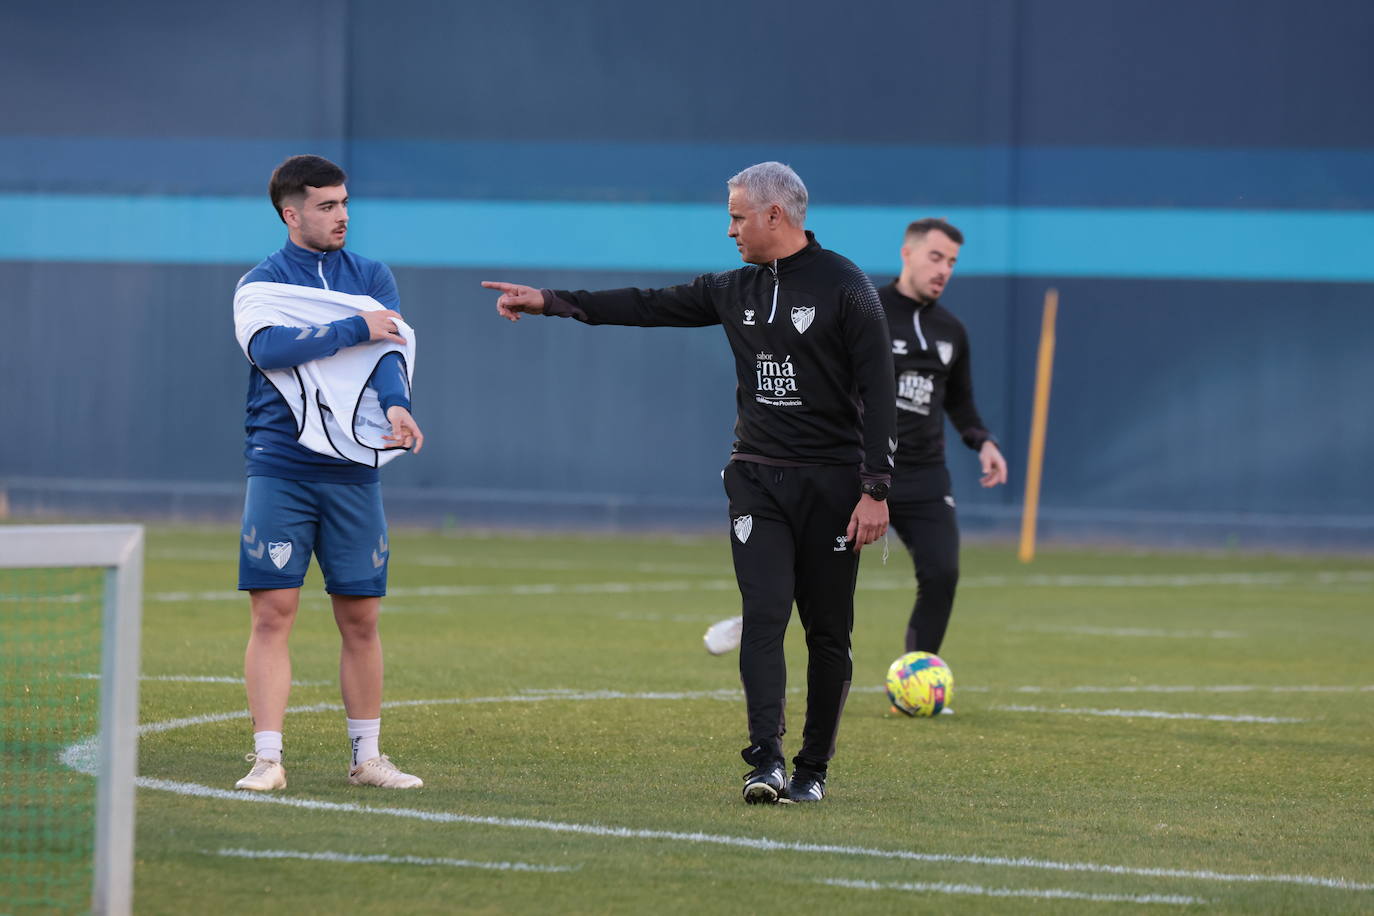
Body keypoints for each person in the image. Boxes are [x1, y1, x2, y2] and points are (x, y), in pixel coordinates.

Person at [483, 162, 895, 804]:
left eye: (737, 216)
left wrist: (875, 489)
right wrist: (552, 302)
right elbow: (649, 306)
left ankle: (813, 771)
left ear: (774, 217)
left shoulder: (847, 287)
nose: (730, 229)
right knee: (763, 614)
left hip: (834, 486)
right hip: (757, 478)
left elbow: (880, 390)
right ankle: (765, 761)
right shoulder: (733, 289)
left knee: (828, 633)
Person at [230, 154, 425, 791]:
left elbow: (387, 352)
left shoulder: (371, 276)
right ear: (292, 214)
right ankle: (267, 759)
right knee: (273, 613)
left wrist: (398, 407)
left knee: (361, 618)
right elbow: (269, 349)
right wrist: (351, 326)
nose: (341, 216)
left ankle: (368, 758)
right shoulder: (259, 285)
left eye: (343, 203)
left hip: (352, 471)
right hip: (281, 465)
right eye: (326, 206)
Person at [877, 218, 1007, 677]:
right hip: (860, 471)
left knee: (942, 574)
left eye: (951, 262)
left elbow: (961, 402)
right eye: (936, 257)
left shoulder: (952, 331)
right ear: (907, 254)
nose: (944, 270)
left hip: (924, 474)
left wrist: (983, 441)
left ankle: (917, 677)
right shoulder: (866, 311)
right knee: (823, 581)